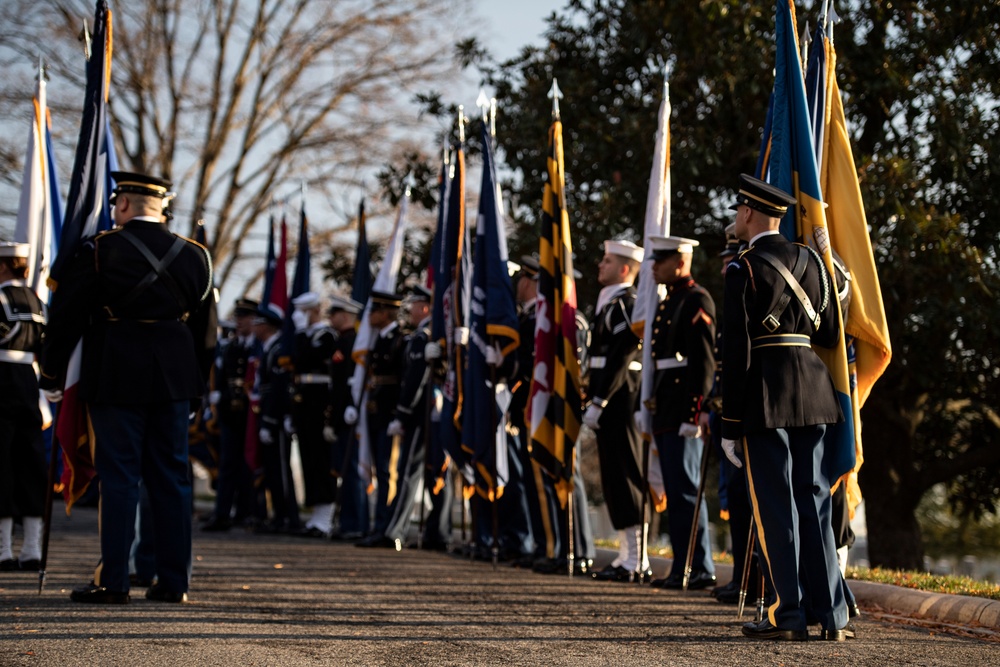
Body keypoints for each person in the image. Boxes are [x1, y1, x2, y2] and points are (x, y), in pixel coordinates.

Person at [40, 171, 216, 604]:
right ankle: (174, 582)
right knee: (172, 478)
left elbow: (67, 318)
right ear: (161, 208)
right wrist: (196, 388)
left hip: (116, 373)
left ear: (122, 206)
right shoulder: (197, 256)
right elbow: (207, 334)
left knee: (119, 478)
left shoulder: (99, 251)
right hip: (175, 379)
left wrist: (51, 374)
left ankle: (114, 580)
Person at [720, 173, 850, 641]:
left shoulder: (743, 269)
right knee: (814, 504)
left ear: (750, 213)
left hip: (765, 397)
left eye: (738, 211)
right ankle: (832, 616)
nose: (735, 218)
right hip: (815, 393)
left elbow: (736, 355)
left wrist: (729, 423)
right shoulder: (813, 262)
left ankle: (788, 615)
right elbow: (833, 335)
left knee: (776, 508)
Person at [646, 235, 717, 591]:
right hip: (666, 408)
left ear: (681, 260)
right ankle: (681, 565)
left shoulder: (696, 299)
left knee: (688, 490)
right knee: (676, 491)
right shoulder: (669, 301)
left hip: (684, 409)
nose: (654, 266)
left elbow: (703, 363)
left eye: (661, 260)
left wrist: (696, 411)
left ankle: (700, 567)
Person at [583, 240, 649, 583]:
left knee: (626, 473)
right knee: (612, 475)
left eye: (607, 261)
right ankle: (626, 555)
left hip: (621, 398)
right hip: (606, 400)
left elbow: (623, 355)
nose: (600, 265)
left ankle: (637, 557)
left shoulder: (628, 304)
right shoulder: (608, 303)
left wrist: (601, 400)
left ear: (625, 269)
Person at [369, 285, 435, 548]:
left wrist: (403, 413)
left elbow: (413, 380)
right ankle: (403, 529)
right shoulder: (417, 336)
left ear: (426, 307)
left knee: (408, 471)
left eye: (415, 304)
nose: (410, 310)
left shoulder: (422, 337)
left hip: (420, 412)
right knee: (417, 471)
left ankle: (394, 530)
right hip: (416, 412)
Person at [0, 242, 47, 573]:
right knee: (31, 463)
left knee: (1, 463)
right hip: (30, 383)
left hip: (1, 381)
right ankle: (31, 548)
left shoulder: (0, 298)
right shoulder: (40, 303)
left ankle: (3, 549)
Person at [345, 290, 405, 538]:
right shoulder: (377, 339)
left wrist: (398, 415)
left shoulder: (400, 340)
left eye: (373, 311)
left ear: (384, 313)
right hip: (374, 411)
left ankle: (384, 525)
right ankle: (373, 525)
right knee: (376, 468)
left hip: (389, 412)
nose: (368, 316)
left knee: (385, 470)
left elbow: (402, 380)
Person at [202, 297, 260, 532]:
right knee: (227, 463)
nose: (239, 322)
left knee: (249, 463)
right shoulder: (231, 346)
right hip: (229, 412)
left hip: (250, 413)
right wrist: (219, 397)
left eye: (244, 317)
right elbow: (223, 375)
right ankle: (222, 513)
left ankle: (248, 512)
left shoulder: (257, 347)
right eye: (238, 317)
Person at [289, 291, 338, 538]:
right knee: (308, 458)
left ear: (315, 310)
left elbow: (305, 358)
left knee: (321, 460)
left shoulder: (327, 336)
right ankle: (315, 516)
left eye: (305, 312)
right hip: (305, 403)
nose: (300, 317)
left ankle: (325, 518)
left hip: (320, 405)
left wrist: (300, 333)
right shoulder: (306, 336)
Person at [253, 303, 300, 534]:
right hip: (269, 417)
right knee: (272, 469)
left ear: (267, 326)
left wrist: (271, 421)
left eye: (257, 324)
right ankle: (279, 515)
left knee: (281, 470)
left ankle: (288, 517)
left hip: (278, 419)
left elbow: (279, 390)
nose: (254, 328)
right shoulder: (269, 349)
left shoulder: (279, 349)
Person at [323, 295, 367, 540]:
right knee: (345, 470)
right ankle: (349, 522)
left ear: (346, 315)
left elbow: (346, 384)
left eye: (335, 314)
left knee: (352, 471)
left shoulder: (350, 342)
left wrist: (341, 414)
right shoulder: (343, 341)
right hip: (342, 414)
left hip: (348, 414)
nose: (331, 318)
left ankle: (355, 523)